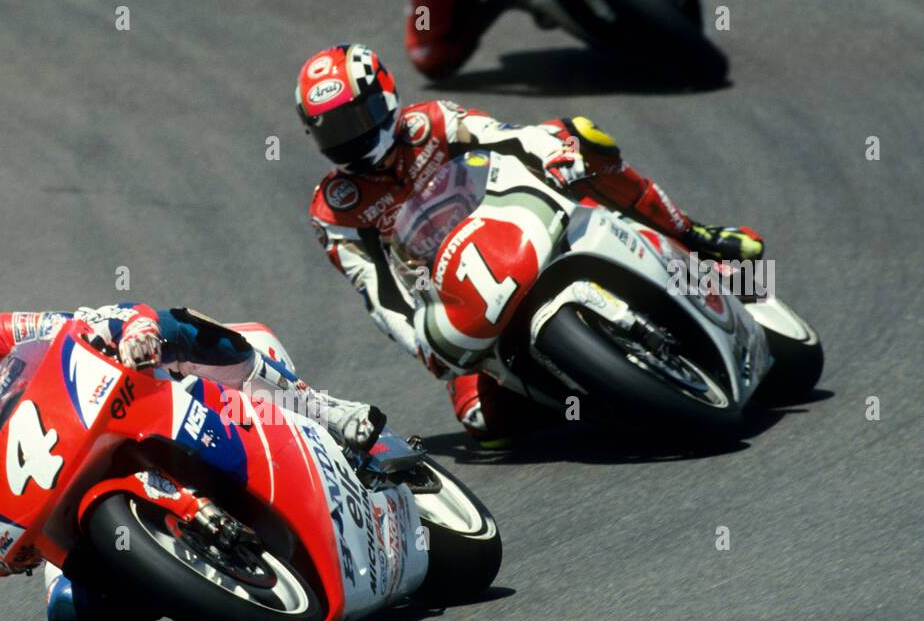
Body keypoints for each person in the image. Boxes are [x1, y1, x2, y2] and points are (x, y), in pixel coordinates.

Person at [0, 261, 384, 621]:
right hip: (47, 513)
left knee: (173, 324)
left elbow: (93, 323)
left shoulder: (7, 333)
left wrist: (134, 332)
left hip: (111, 425)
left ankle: (321, 409)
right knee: (70, 617)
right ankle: (180, 581)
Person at [297, 42, 762, 446]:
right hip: (459, 296)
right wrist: (420, 342)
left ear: (387, 97)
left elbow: (508, 138)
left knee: (584, 137)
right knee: (483, 423)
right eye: (332, 130)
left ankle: (694, 237)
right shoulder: (334, 210)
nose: (351, 137)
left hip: (514, 223)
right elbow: (379, 295)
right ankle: (595, 388)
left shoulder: (433, 122)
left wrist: (553, 150)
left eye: (357, 119)